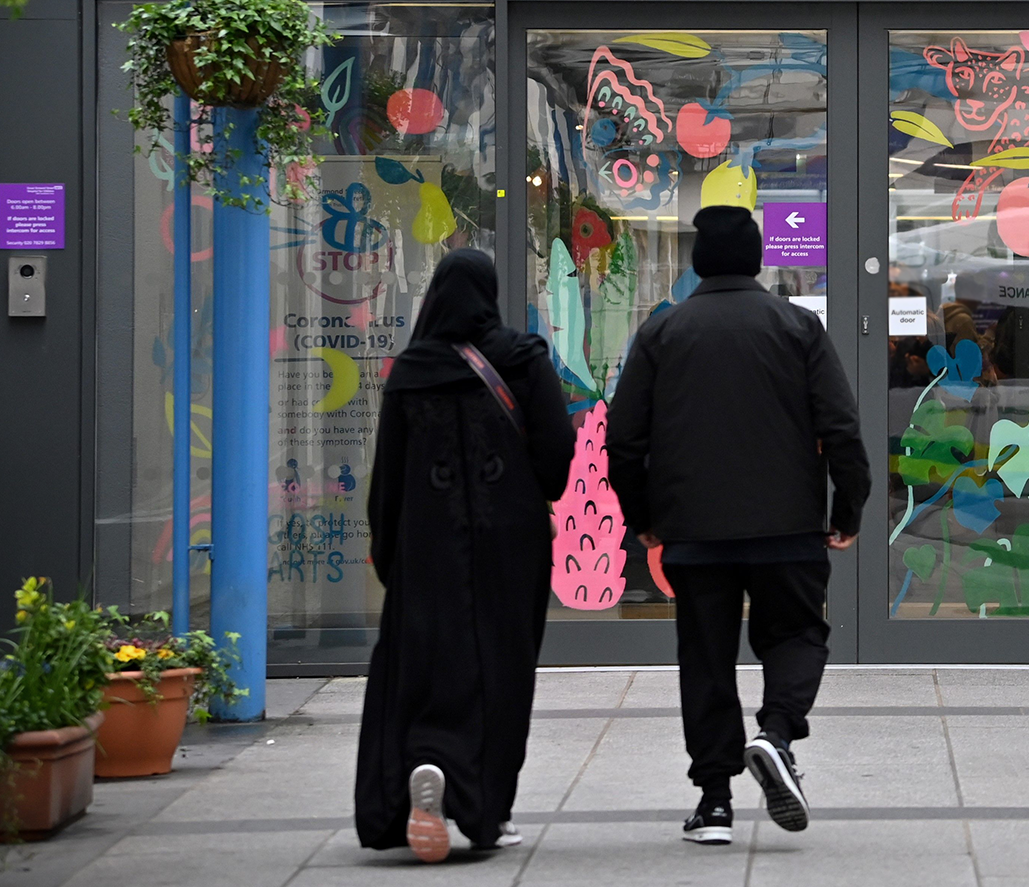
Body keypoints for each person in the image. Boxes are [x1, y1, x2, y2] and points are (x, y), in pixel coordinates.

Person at [606, 204, 870, 846]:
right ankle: (776, 734)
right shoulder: (797, 327)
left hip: (694, 532)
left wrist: (642, 519)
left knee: (705, 659)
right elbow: (840, 426)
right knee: (799, 633)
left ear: (698, 262)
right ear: (757, 259)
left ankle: (715, 803)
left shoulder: (662, 333)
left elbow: (623, 440)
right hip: (788, 527)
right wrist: (848, 509)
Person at [355, 249, 575, 861]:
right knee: (500, 670)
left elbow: (388, 481)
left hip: (426, 548)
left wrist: (387, 551)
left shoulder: (410, 371)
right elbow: (557, 461)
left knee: (424, 665)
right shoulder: (523, 359)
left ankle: (424, 763)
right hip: (511, 546)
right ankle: (485, 811)